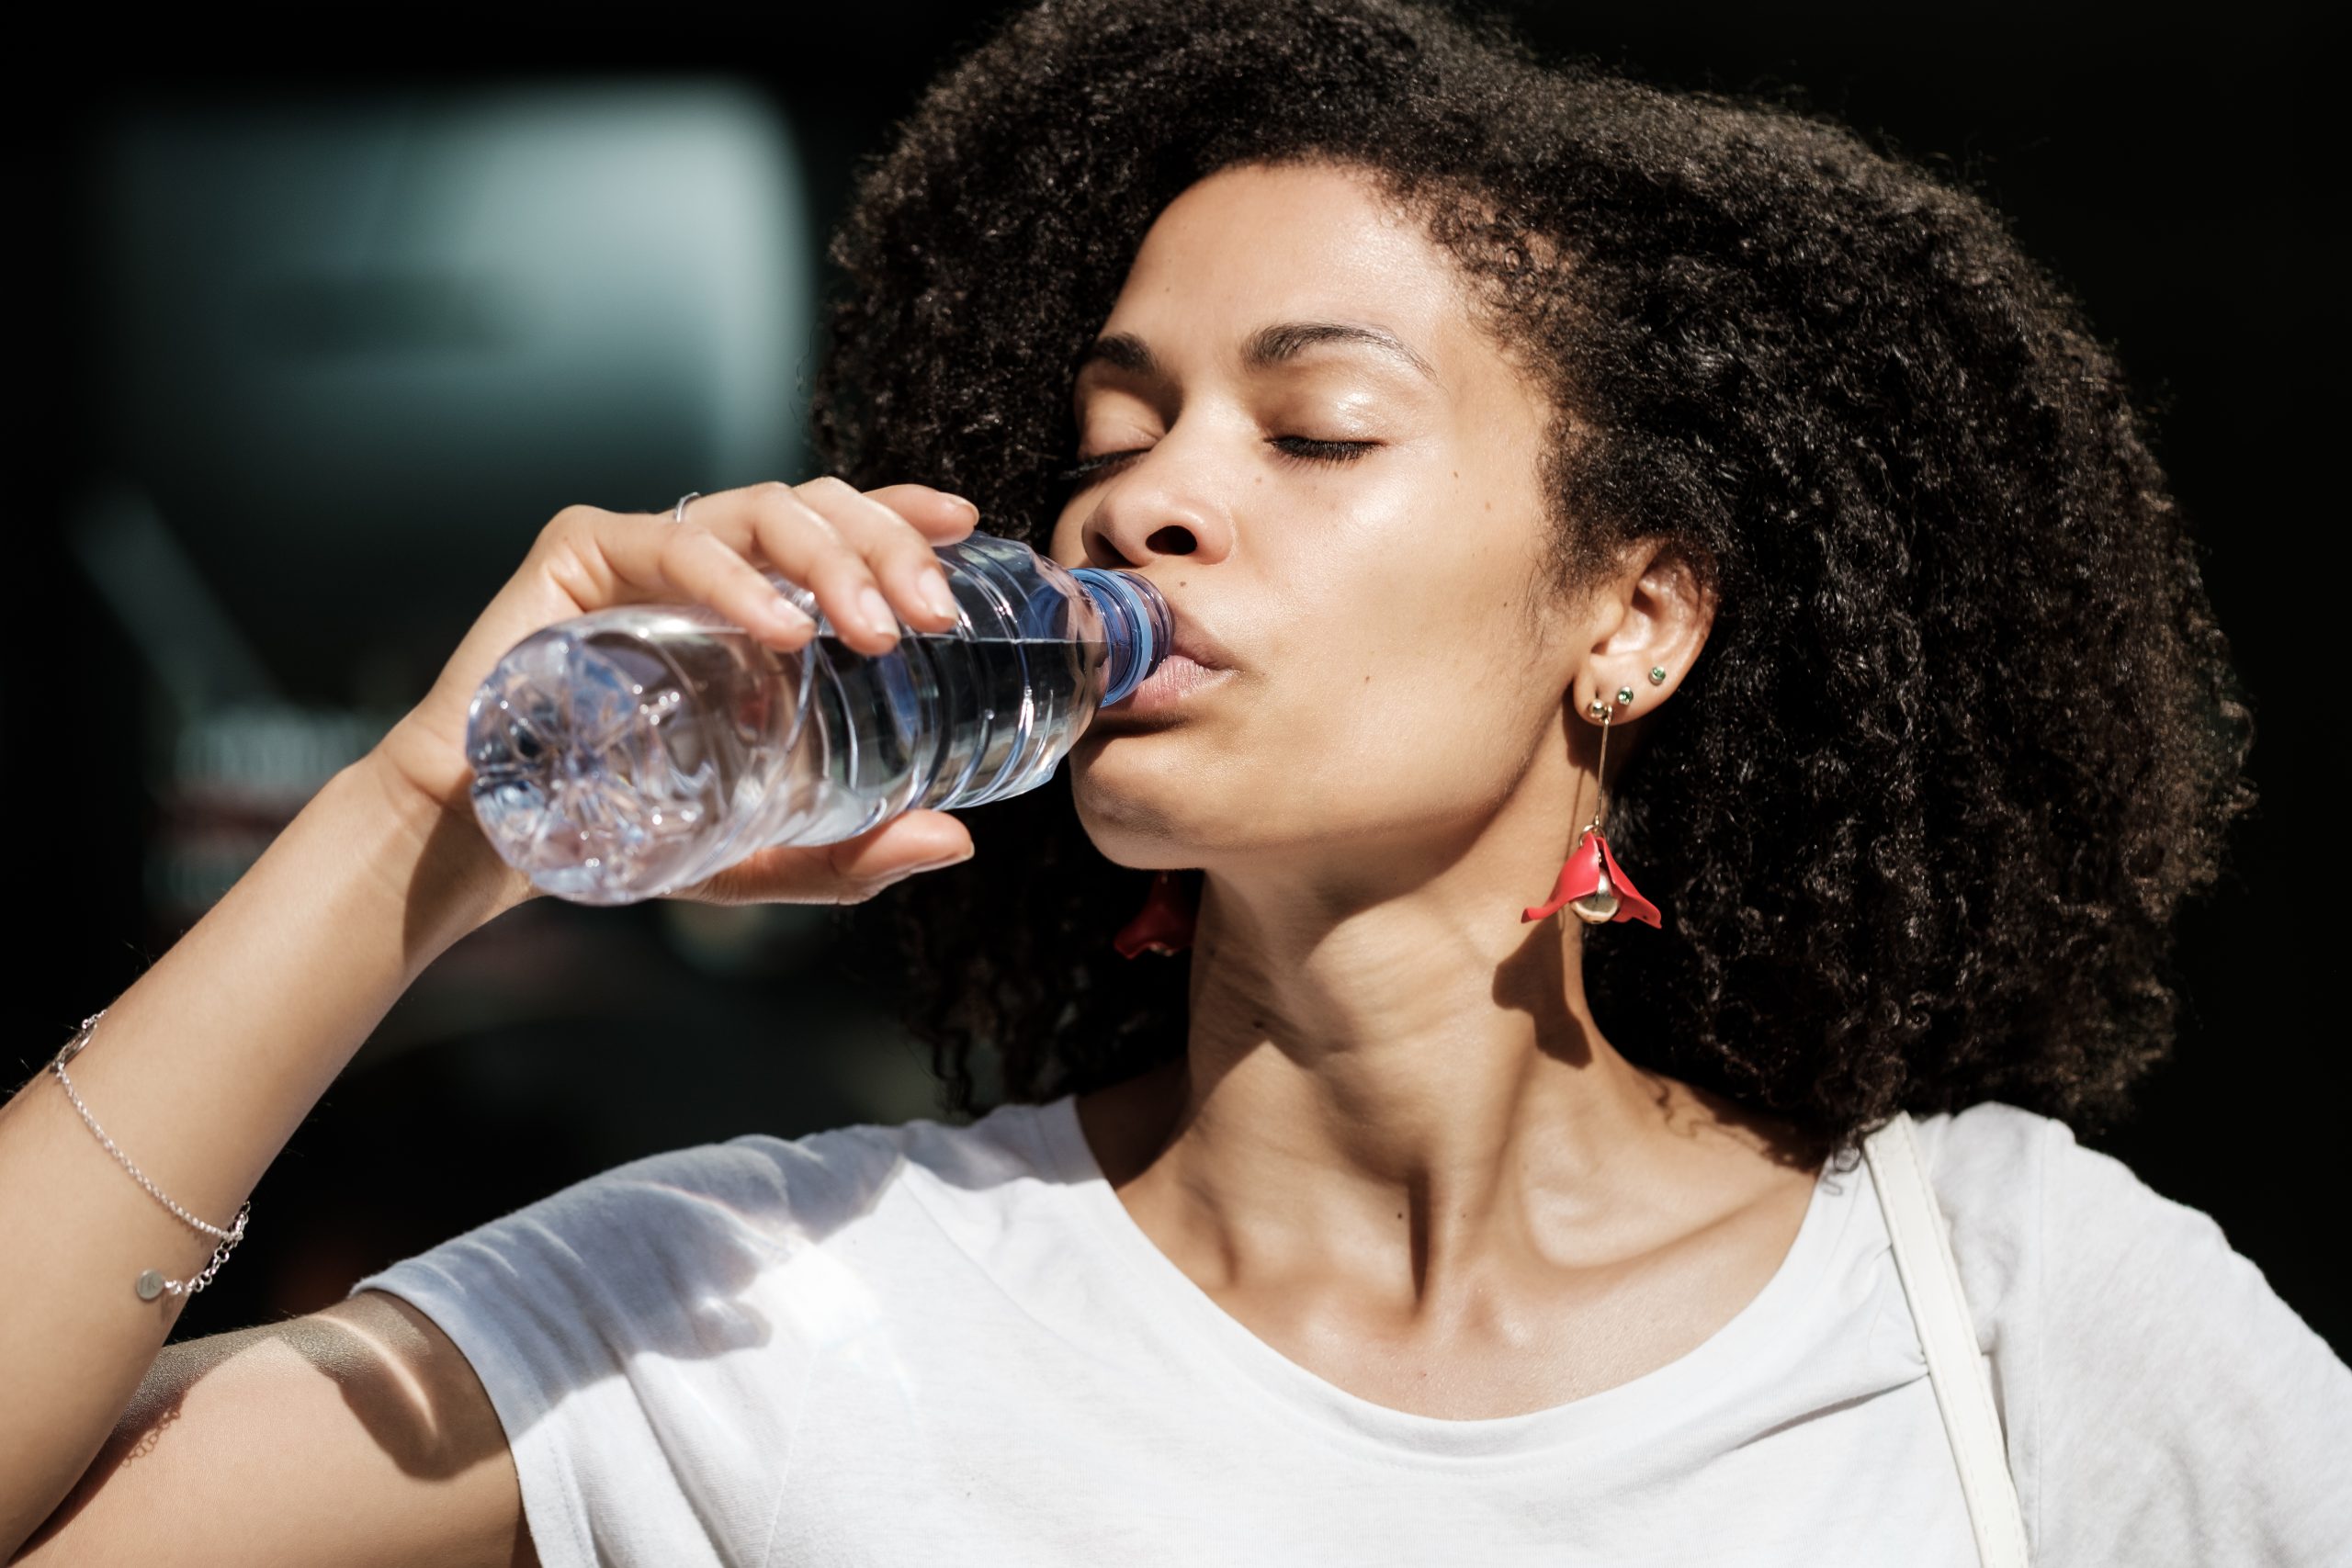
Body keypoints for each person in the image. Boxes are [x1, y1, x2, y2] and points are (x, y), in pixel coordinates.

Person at [6, 0, 2345, 1562]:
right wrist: (427, 818)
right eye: (1109, 438)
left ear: (1633, 610)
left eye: (1311, 429)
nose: (1139, 504)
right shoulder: (767, 1297)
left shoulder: (2005, 1306)